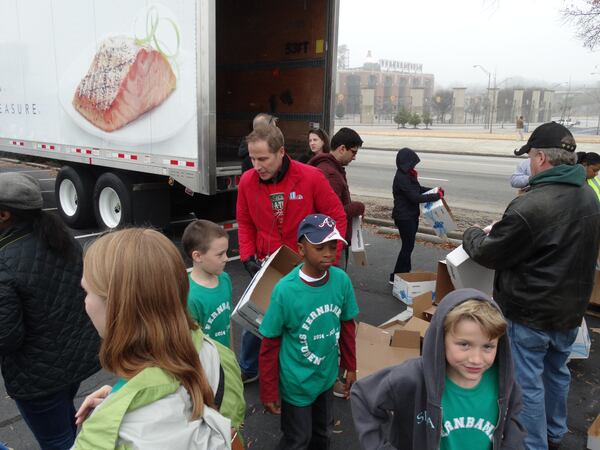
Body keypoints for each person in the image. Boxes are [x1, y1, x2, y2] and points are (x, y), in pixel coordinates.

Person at [462, 122, 600, 450]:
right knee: (557, 372)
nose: (528, 164)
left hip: (530, 314)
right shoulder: (589, 197)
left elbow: (488, 253)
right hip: (570, 312)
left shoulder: (530, 205)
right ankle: (554, 433)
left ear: (539, 158)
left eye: (529, 157)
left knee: (528, 385)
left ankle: (533, 444)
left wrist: (472, 234)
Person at [73, 228, 246, 449]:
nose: (85, 302)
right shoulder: (218, 354)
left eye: (87, 292)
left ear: (117, 306)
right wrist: (122, 397)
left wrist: (112, 414)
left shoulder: (104, 438)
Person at [236, 123, 347, 383]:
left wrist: (329, 257)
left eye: (263, 158)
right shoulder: (247, 181)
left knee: (306, 324)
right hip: (268, 263)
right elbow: (244, 221)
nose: (257, 165)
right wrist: (247, 255)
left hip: (304, 264)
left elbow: (337, 217)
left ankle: (311, 370)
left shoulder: (310, 178)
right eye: (252, 158)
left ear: (281, 152)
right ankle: (249, 368)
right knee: (256, 320)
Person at [351, 289, 525, 450]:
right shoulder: (414, 377)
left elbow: (514, 420)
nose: (476, 359)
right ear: (441, 338)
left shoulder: (504, 382)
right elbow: (363, 396)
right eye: (464, 344)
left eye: (488, 346)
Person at [0, 172, 100, 450]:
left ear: (4, 215)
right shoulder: (60, 238)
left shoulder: (4, 261)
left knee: (57, 440)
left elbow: (7, 336)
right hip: (73, 360)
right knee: (66, 424)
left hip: (38, 377)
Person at [258, 214, 359, 450]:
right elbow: (270, 343)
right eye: (320, 247)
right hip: (297, 383)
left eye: (333, 246)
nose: (328, 253)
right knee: (298, 439)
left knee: (322, 434)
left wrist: (350, 365)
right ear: (301, 250)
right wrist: (269, 389)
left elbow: (347, 325)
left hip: (325, 377)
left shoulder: (341, 281)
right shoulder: (285, 291)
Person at [390, 148, 444, 283]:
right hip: (404, 217)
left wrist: (434, 190)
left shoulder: (408, 174)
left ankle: (405, 272)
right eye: (412, 163)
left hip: (410, 216)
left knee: (408, 246)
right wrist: (436, 196)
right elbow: (415, 197)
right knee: (407, 247)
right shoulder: (402, 178)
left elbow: (418, 189)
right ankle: (396, 276)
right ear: (406, 163)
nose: (414, 166)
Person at [309, 127, 365, 251]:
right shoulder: (330, 174)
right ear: (342, 149)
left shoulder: (331, 169)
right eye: (353, 152)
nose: (354, 157)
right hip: (331, 243)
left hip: (331, 240)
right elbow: (330, 214)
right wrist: (357, 207)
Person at [182, 219, 233, 348]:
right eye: (220, 254)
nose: (226, 258)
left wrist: (232, 356)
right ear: (198, 256)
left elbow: (228, 322)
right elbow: (191, 344)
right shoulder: (189, 296)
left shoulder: (225, 279)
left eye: (226, 252)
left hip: (226, 361)